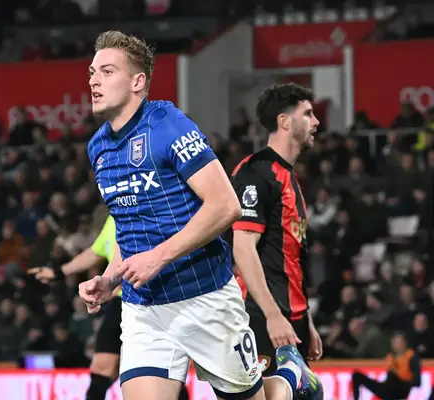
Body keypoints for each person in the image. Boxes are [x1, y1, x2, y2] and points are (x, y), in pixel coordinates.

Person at [79, 30, 323, 400]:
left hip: (204, 296)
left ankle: (291, 377)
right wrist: (110, 279)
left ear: (137, 82)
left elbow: (226, 205)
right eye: (92, 72)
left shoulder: (167, 124)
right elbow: (129, 231)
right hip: (144, 308)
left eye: (107, 71)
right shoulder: (98, 147)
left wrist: (158, 257)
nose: (94, 80)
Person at [30, 215, 190, 400]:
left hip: (147, 299)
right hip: (121, 302)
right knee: (109, 368)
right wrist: (59, 272)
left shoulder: (143, 210)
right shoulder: (113, 217)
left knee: (158, 368)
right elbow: (96, 252)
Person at [230, 83, 323, 378]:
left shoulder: (290, 177)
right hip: (260, 317)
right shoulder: (256, 172)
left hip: (292, 317)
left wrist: (305, 318)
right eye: (307, 114)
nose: (316, 122)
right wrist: (272, 315)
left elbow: (291, 257)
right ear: (284, 121)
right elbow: (243, 247)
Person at [352, 332, 421, 399]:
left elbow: (417, 382)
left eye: (398, 341)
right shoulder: (390, 357)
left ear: (405, 343)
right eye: (393, 342)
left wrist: (398, 376)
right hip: (388, 389)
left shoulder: (411, 357)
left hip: (401, 389)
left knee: (393, 377)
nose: (395, 344)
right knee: (357, 375)